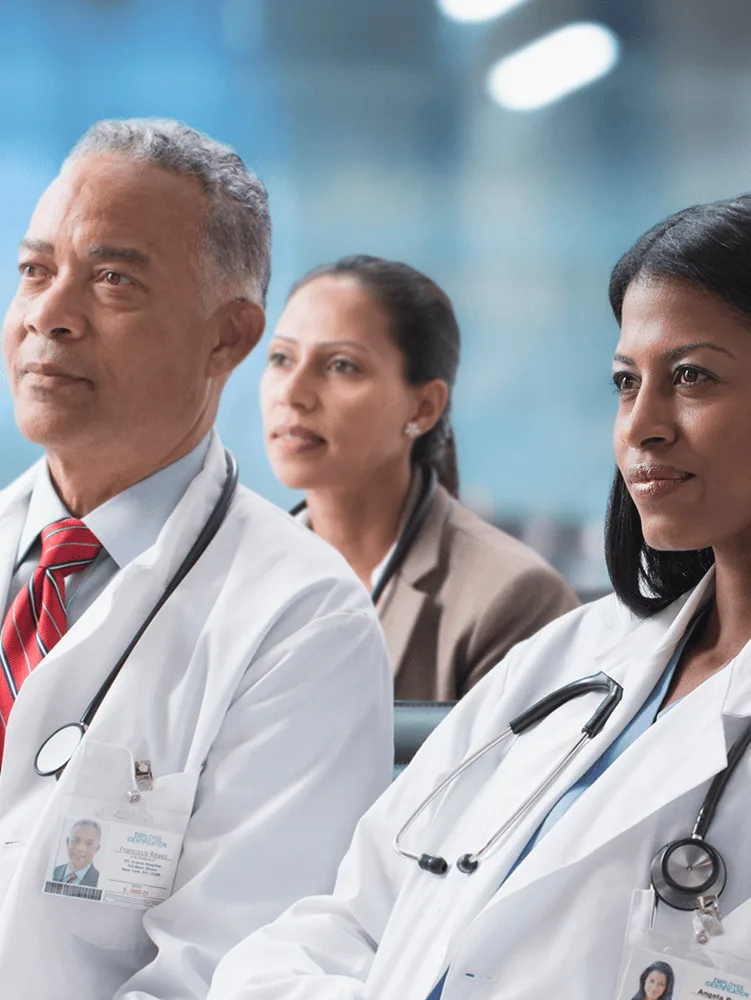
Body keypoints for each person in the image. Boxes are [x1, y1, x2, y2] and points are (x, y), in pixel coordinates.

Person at [208, 194, 751, 1000]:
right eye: (623, 382)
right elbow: (345, 921)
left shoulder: (507, 599)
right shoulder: (568, 663)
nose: (641, 425)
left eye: (691, 377)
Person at [0, 119, 393, 999]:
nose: (49, 314)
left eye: (112, 279)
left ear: (228, 338)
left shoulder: (304, 623)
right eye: (34, 270)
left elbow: (232, 973)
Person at [260, 255, 578, 699]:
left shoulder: (514, 599)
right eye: (281, 358)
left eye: (342, 365)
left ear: (424, 408)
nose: (292, 393)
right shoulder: (230, 576)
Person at [51, 819, 102, 888]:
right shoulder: (52, 872)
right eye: (75, 840)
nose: (80, 848)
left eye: (89, 843)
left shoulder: (100, 882)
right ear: (68, 842)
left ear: (97, 849)